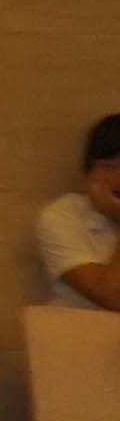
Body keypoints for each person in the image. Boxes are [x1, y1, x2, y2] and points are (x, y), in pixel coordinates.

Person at [42, 118, 120, 311]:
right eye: (109, 167)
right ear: (88, 175)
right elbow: (112, 295)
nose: (118, 178)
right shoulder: (64, 216)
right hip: (81, 328)